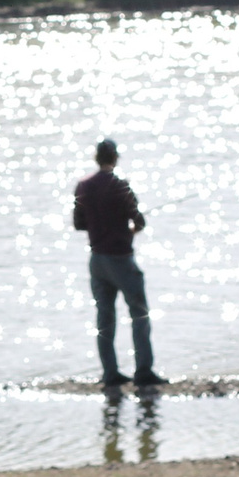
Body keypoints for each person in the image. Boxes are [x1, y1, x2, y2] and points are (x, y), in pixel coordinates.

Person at [72, 137, 165, 388]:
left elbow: (79, 223)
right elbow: (139, 220)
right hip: (121, 260)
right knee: (139, 313)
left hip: (97, 261)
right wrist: (129, 230)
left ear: (96, 158)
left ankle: (110, 373)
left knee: (104, 317)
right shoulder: (119, 185)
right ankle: (143, 371)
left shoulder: (83, 186)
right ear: (114, 158)